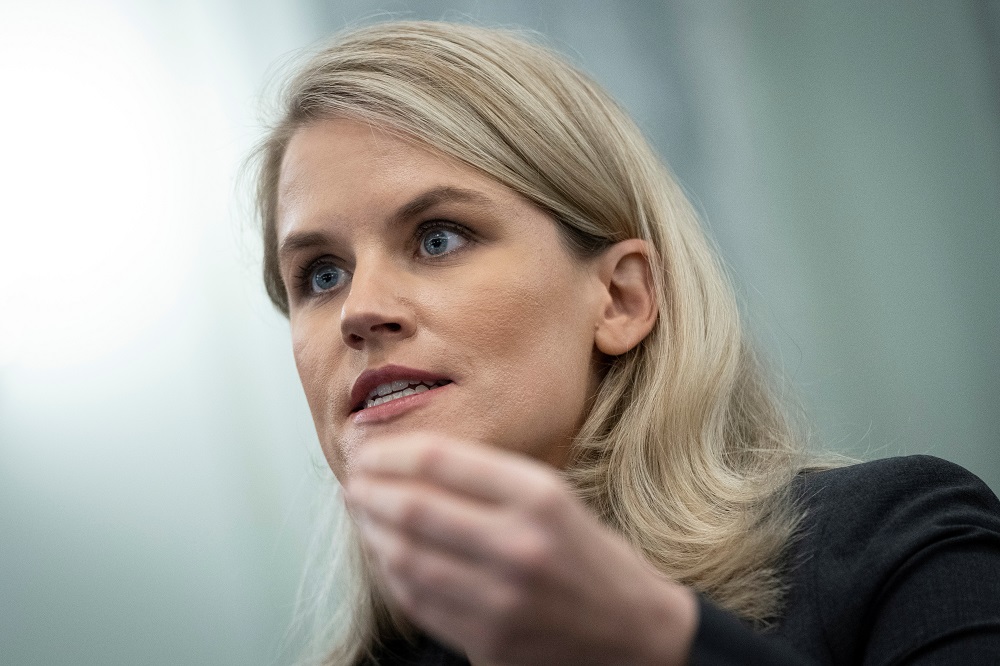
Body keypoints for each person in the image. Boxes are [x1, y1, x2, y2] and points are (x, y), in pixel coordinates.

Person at [249, 20, 1000, 665]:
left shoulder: (903, 548)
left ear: (620, 297)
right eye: (319, 274)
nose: (360, 308)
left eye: (438, 237)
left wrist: (651, 646)